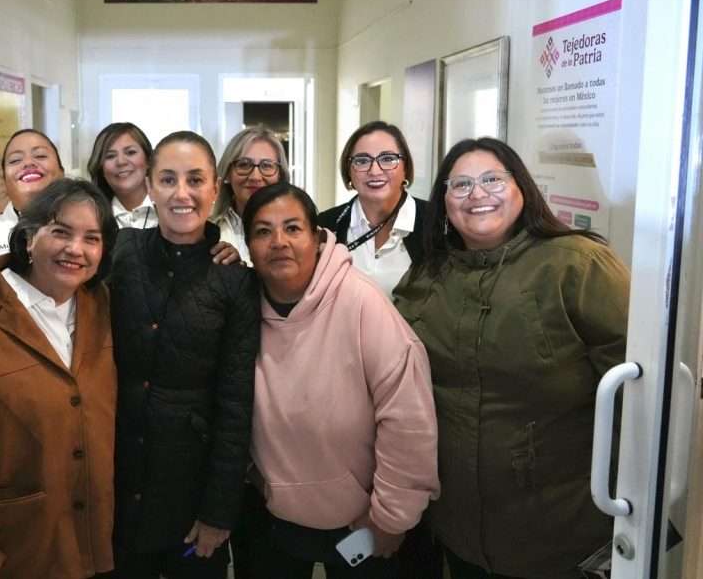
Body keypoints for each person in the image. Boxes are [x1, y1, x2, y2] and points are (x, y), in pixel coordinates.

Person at [393, 138, 631, 579]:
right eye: (460, 184)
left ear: (521, 187)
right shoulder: (429, 274)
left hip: (562, 533)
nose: (477, 194)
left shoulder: (579, 265)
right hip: (460, 530)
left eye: (491, 180)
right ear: (443, 201)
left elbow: (640, 397)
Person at [233, 183, 438, 579]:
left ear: (317, 236)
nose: (278, 242)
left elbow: (408, 419)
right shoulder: (241, 306)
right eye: (263, 231)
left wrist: (391, 518)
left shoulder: (361, 303)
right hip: (274, 512)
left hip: (362, 520)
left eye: (292, 228)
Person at [0, 178, 117, 579]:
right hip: (16, 550)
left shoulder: (103, 307)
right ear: (28, 238)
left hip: (94, 542)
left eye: (92, 238)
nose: (76, 249)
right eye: (61, 232)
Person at [109, 131, 260, 578]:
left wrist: (219, 512)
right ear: (150, 187)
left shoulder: (234, 281)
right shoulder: (122, 252)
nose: (182, 194)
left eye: (196, 180)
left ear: (216, 188)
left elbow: (236, 404)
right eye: (168, 179)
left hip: (190, 491)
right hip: (118, 482)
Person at [317, 121, 426, 297]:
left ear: (406, 168)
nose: (375, 171)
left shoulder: (436, 223)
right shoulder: (326, 225)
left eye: (388, 159)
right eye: (362, 161)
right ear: (349, 171)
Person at [212, 126, 289, 265]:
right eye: (243, 164)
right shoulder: (204, 229)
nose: (255, 176)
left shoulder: (300, 230)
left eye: (266, 166)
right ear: (227, 174)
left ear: (280, 176)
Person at [0, 128, 65, 258]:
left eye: (40, 155)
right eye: (15, 160)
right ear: (4, 181)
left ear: (62, 173)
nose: (28, 163)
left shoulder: (88, 225)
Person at [87, 121, 157, 229]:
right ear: (100, 168)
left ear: (148, 160)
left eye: (130, 152)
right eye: (110, 156)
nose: (121, 162)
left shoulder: (168, 209)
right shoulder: (90, 217)